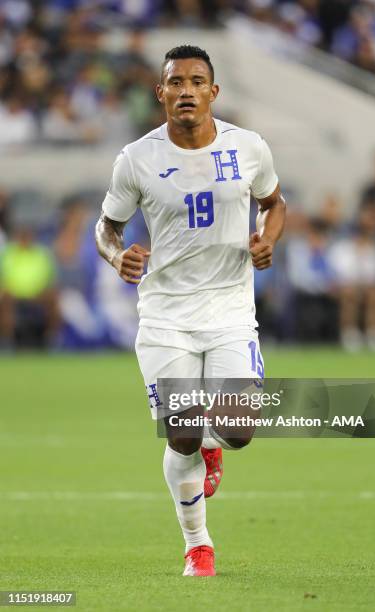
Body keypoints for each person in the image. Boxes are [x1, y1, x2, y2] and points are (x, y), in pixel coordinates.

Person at [95, 45, 285, 577]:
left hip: (228, 312)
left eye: (197, 81)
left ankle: (213, 444)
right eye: (175, 82)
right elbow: (106, 226)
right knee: (180, 431)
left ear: (213, 92)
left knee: (239, 430)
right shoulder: (137, 158)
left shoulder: (249, 148)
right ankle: (197, 544)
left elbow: (275, 202)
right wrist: (118, 255)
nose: (186, 91)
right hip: (165, 316)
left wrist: (268, 240)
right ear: (161, 93)